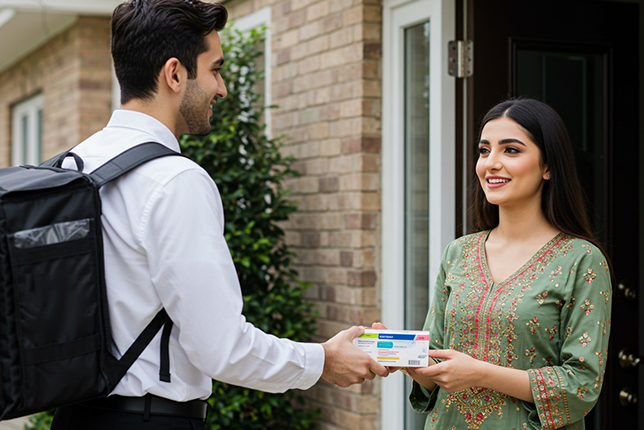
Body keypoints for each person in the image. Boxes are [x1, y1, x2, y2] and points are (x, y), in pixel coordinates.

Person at [50, 1, 387, 429]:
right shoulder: (174, 180)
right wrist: (322, 360)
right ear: (174, 74)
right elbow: (222, 347)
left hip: (72, 417)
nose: (222, 87)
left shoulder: (72, 165)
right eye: (215, 69)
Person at [375, 98, 612, 429]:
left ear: (548, 167)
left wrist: (480, 373)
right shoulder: (458, 253)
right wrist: (407, 361)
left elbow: (581, 384)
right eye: (484, 151)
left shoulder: (581, 260)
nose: (491, 163)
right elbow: (437, 369)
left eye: (511, 150)